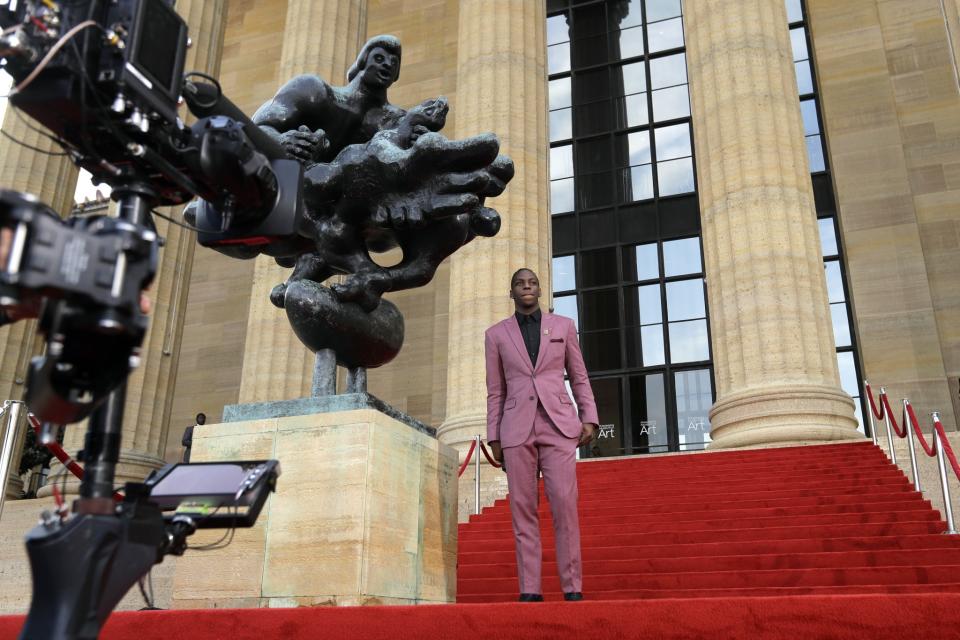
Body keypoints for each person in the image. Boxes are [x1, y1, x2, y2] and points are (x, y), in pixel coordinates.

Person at [485, 267, 598, 602]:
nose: (527, 287)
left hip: (559, 425)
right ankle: (530, 589)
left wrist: (588, 415)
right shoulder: (496, 335)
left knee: (564, 505)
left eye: (532, 283)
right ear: (512, 293)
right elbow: (496, 390)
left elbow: (579, 375)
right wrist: (494, 436)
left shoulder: (563, 327)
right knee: (523, 509)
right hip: (516, 429)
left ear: (540, 290)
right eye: (520, 284)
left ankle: (572, 586)